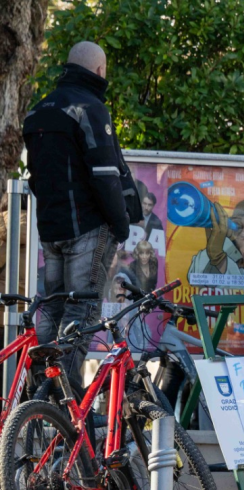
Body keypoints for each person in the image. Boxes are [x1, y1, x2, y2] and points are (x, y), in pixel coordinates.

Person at [22, 41, 142, 384]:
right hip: (86, 228)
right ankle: (65, 394)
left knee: (52, 306)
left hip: (51, 229)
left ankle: (41, 393)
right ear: (100, 71)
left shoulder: (37, 111)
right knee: (82, 307)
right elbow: (104, 176)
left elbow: (36, 177)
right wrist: (120, 224)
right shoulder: (89, 108)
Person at [186, 199, 244, 290]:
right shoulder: (229, 249)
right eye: (239, 227)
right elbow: (194, 278)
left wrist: (220, 260)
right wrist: (220, 244)